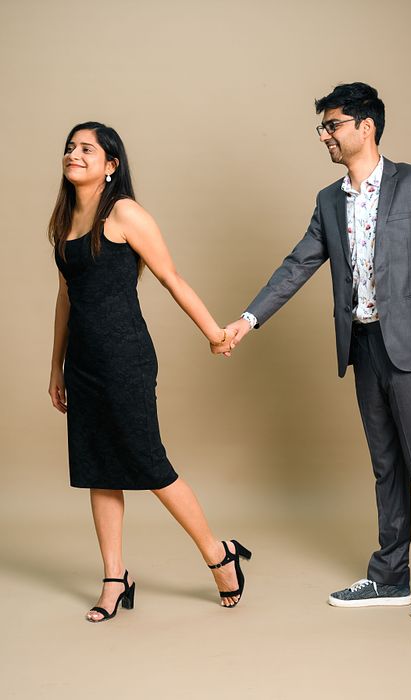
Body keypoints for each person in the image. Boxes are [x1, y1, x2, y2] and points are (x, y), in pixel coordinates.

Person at [215, 82, 411, 620]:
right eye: (323, 127)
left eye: (332, 125)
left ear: (366, 126)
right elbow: (297, 264)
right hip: (363, 343)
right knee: (386, 464)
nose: (325, 136)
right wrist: (248, 319)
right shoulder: (329, 201)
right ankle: (390, 576)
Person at [48, 121, 251, 622]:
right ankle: (114, 578)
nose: (75, 154)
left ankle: (218, 555)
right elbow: (66, 296)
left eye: (87, 149)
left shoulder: (124, 213)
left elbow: (170, 276)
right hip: (84, 363)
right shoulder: (65, 219)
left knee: (149, 463)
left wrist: (213, 332)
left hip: (125, 358)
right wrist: (56, 366)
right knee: (98, 467)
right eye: (71, 147)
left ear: (110, 164)